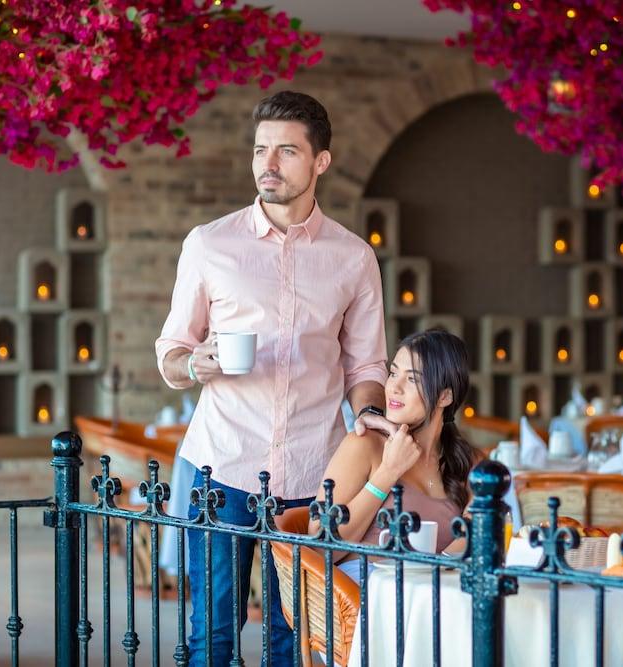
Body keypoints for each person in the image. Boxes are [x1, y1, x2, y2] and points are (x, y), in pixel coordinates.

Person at [154, 91, 389, 667]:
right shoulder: (209, 244)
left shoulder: (354, 258)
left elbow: (365, 365)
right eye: (262, 150)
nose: (269, 164)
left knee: (297, 636)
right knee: (212, 633)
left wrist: (366, 413)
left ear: (320, 163)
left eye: (287, 151)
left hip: (316, 475)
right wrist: (195, 364)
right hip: (223, 467)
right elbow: (171, 352)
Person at [310, 329, 477, 580]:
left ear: (445, 395)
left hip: (434, 592)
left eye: (412, 379)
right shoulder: (364, 444)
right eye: (393, 373)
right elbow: (319, 545)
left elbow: (480, 540)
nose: (393, 388)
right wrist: (387, 473)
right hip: (363, 600)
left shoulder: (465, 461)